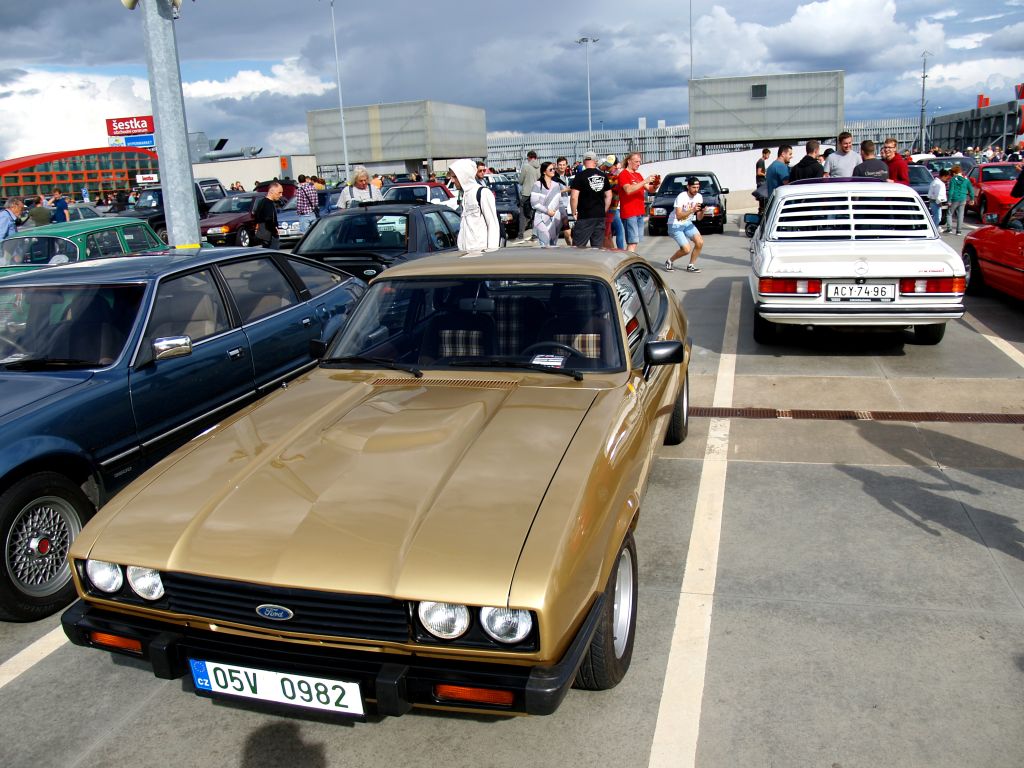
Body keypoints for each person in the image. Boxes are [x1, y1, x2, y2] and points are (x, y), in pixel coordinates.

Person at [448, 158, 500, 250]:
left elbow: (493, 225)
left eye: (454, 177)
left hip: (480, 254)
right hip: (465, 254)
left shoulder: (483, 193)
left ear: (464, 176)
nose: (452, 180)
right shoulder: (465, 195)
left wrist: (491, 253)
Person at [617, 152, 658, 252]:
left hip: (639, 212)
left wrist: (656, 185)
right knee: (632, 242)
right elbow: (628, 190)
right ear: (629, 161)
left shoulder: (638, 175)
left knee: (635, 242)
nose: (639, 164)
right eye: (636, 161)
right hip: (629, 212)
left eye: (639, 162)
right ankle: (628, 260)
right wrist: (645, 181)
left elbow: (650, 189)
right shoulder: (623, 174)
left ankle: (629, 259)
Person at [570, 151, 611, 248]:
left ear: (584, 162)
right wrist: (603, 210)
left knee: (578, 248)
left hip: (585, 216)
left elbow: (574, 197)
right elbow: (609, 195)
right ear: (595, 161)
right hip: (599, 216)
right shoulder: (603, 176)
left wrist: (574, 212)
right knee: (597, 248)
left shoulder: (580, 176)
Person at [664, 177, 705, 273]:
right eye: (693, 187)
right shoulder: (681, 196)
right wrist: (692, 210)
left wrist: (702, 211)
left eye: (698, 187)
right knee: (686, 250)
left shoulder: (699, 197)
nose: (696, 190)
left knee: (700, 242)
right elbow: (678, 216)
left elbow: (699, 218)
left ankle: (691, 266)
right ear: (688, 187)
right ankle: (669, 261)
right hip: (675, 224)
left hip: (687, 223)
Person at [530, 161, 563, 247]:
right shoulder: (537, 185)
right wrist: (547, 211)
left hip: (555, 218)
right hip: (541, 218)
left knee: (553, 244)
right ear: (544, 171)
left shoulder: (556, 185)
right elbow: (534, 203)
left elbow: (559, 202)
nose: (553, 171)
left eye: (554, 169)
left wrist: (562, 215)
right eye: (550, 169)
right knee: (545, 244)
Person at [600, 156, 624, 250]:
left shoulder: (614, 177)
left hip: (611, 208)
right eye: (607, 165)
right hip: (610, 208)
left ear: (615, 165)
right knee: (610, 233)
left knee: (608, 234)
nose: (608, 167)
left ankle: (616, 251)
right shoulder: (610, 176)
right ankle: (618, 251)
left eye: (610, 166)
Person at [252, 182, 283, 249]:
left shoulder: (262, 202)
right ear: (271, 192)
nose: (281, 195)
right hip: (269, 236)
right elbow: (268, 220)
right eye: (279, 192)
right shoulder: (268, 204)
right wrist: (275, 231)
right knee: (273, 254)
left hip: (262, 235)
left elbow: (257, 217)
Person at [946, 164, 974, 235]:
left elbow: (951, 191)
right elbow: (971, 190)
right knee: (960, 215)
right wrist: (972, 199)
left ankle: (949, 229)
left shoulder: (953, 180)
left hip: (954, 198)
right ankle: (959, 231)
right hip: (963, 198)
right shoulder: (966, 180)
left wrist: (949, 200)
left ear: (954, 173)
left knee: (949, 214)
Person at [518, 150, 540, 240]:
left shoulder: (526, 167)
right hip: (537, 194)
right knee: (536, 214)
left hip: (526, 193)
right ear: (536, 158)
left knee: (523, 214)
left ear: (529, 158)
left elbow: (520, 181)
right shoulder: (540, 167)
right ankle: (534, 234)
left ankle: (521, 234)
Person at [553, 157, 573, 245]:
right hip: (557, 207)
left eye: (564, 165)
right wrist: (566, 190)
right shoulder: (554, 178)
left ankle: (570, 247)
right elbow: (551, 192)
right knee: (555, 232)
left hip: (567, 207)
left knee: (567, 232)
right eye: (560, 165)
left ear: (567, 165)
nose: (562, 167)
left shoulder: (568, 176)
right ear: (557, 165)